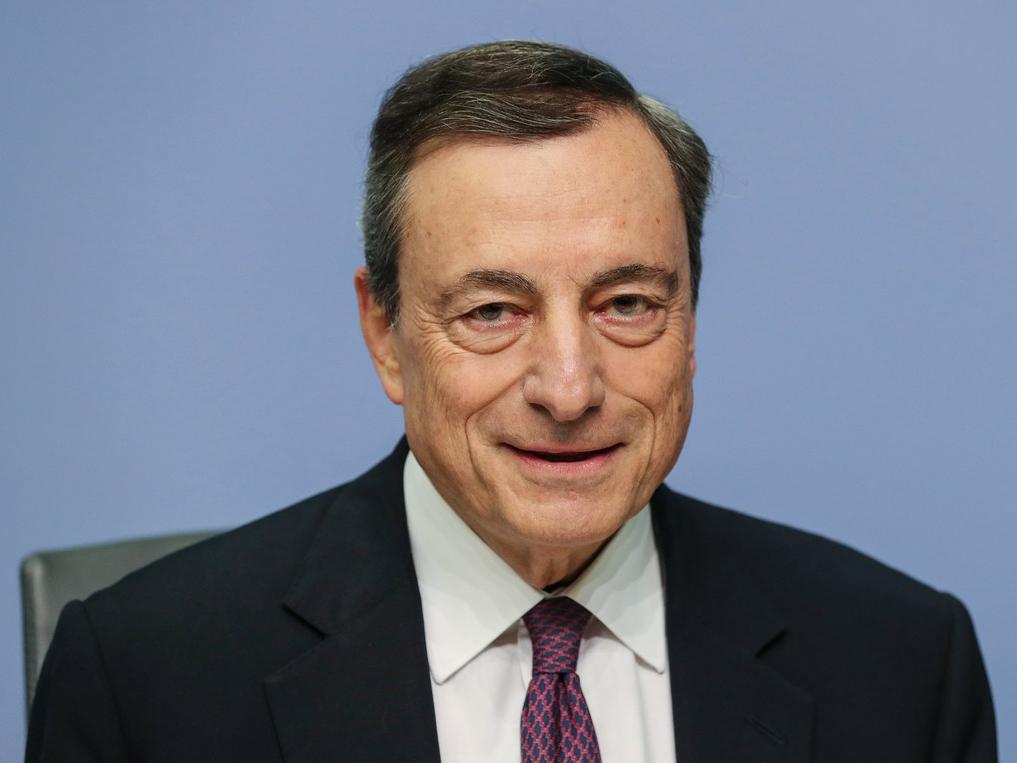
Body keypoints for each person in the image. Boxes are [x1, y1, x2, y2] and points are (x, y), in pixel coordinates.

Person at [27, 40, 996, 762]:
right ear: (385, 335)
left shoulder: (903, 665)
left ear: (691, 321)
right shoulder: (146, 679)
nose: (568, 389)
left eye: (627, 304)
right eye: (492, 310)